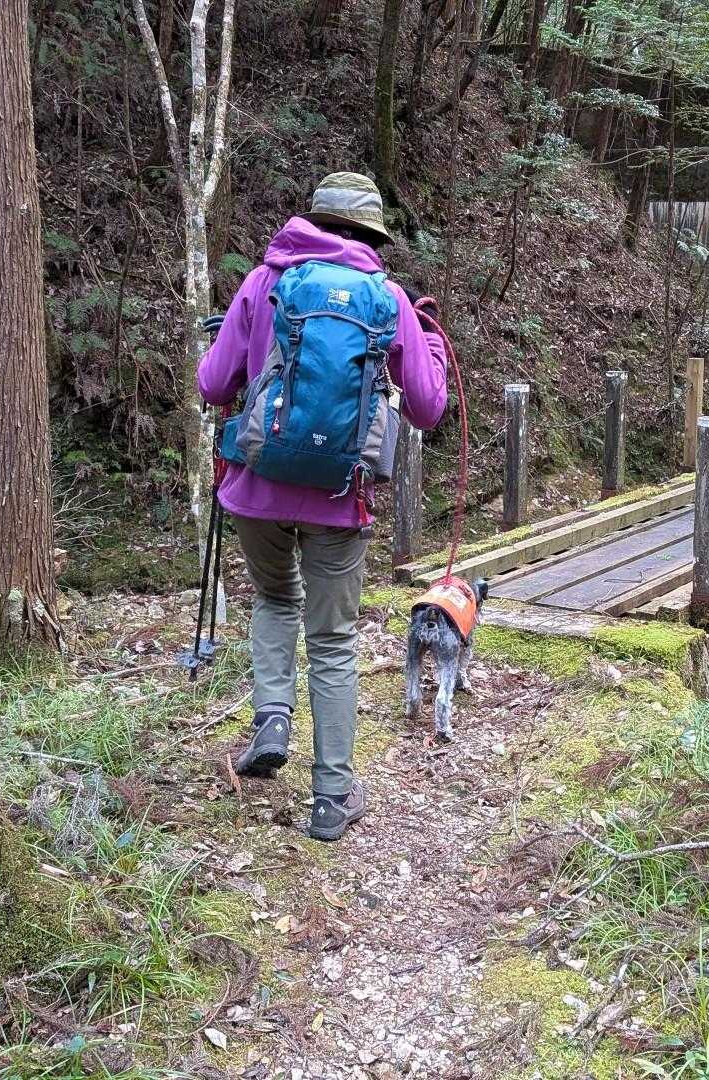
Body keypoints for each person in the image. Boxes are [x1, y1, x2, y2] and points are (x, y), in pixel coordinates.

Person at [197, 172, 448, 841]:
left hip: (256, 487)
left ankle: (272, 720)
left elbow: (213, 384)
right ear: (370, 236)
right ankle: (332, 798)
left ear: (309, 222)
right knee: (333, 640)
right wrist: (431, 346)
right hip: (340, 498)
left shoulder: (264, 282)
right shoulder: (389, 299)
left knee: (275, 598)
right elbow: (428, 408)